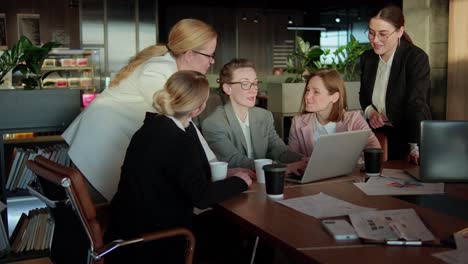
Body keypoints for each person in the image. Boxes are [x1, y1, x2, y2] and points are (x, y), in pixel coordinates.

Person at [104, 70, 252, 263]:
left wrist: (227, 173)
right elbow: (202, 197)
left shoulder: (151, 127)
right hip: (157, 238)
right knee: (231, 231)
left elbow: (184, 170)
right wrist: (240, 182)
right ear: (198, 108)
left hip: (126, 229)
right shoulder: (178, 140)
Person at [62, 18, 218, 201]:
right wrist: (214, 166)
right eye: (210, 55)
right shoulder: (158, 71)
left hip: (108, 144)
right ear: (190, 54)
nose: (212, 61)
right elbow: (182, 124)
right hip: (96, 147)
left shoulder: (169, 69)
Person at [202, 58, 305, 174]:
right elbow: (235, 161)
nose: (253, 90)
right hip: (235, 186)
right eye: (245, 84)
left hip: (263, 182)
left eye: (255, 83)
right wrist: (284, 168)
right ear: (227, 88)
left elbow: (280, 151)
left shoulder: (264, 116)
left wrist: (303, 160)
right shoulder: (214, 123)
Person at [359, 5, 431, 163]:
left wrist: (414, 146)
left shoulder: (415, 58)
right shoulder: (367, 58)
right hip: (379, 136)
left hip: (410, 136)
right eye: (371, 32)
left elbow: (416, 104)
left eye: (382, 34)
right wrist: (371, 112)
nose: (375, 40)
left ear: (399, 32)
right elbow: (364, 95)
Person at [288, 69, 380, 156]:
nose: (307, 96)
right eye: (308, 90)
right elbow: (292, 160)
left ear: (334, 97)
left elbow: (375, 151)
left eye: (316, 92)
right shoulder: (298, 123)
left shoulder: (354, 120)